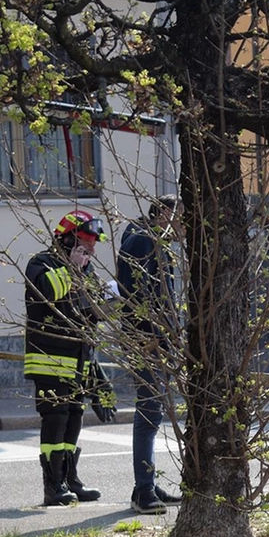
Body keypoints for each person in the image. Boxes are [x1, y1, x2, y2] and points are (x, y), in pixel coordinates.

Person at [25, 210, 113, 507]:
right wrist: (72, 269)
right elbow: (48, 293)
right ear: (66, 242)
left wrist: (98, 379)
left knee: (74, 417)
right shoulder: (41, 264)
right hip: (49, 359)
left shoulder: (86, 271)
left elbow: (99, 310)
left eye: (92, 247)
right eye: (85, 246)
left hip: (79, 360)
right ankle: (53, 486)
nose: (91, 252)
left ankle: (70, 478)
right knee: (55, 418)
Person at [118, 196, 182, 514]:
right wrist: (157, 336)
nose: (184, 227)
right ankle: (143, 491)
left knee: (153, 414)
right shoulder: (144, 240)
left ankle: (146, 483)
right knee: (148, 414)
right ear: (166, 214)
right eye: (181, 219)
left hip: (154, 339)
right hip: (148, 340)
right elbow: (145, 294)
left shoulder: (148, 239)